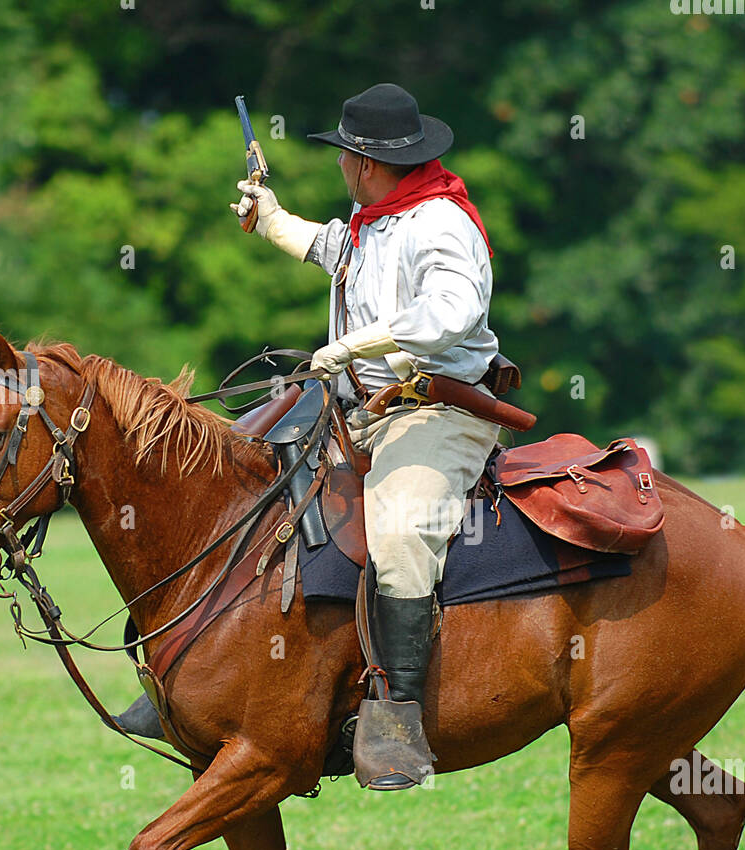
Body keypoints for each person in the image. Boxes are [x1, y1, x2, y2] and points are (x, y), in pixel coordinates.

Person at [119, 83, 502, 792]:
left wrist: (354, 344)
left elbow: (451, 312)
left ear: (362, 160)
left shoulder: (442, 222)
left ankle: (398, 716)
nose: (340, 167)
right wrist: (270, 219)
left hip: (435, 410)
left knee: (400, 530)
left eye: (343, 155)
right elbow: (334, 249)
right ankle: (196, 676)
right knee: (236, 474)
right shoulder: (374, 215)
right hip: (356, 407)